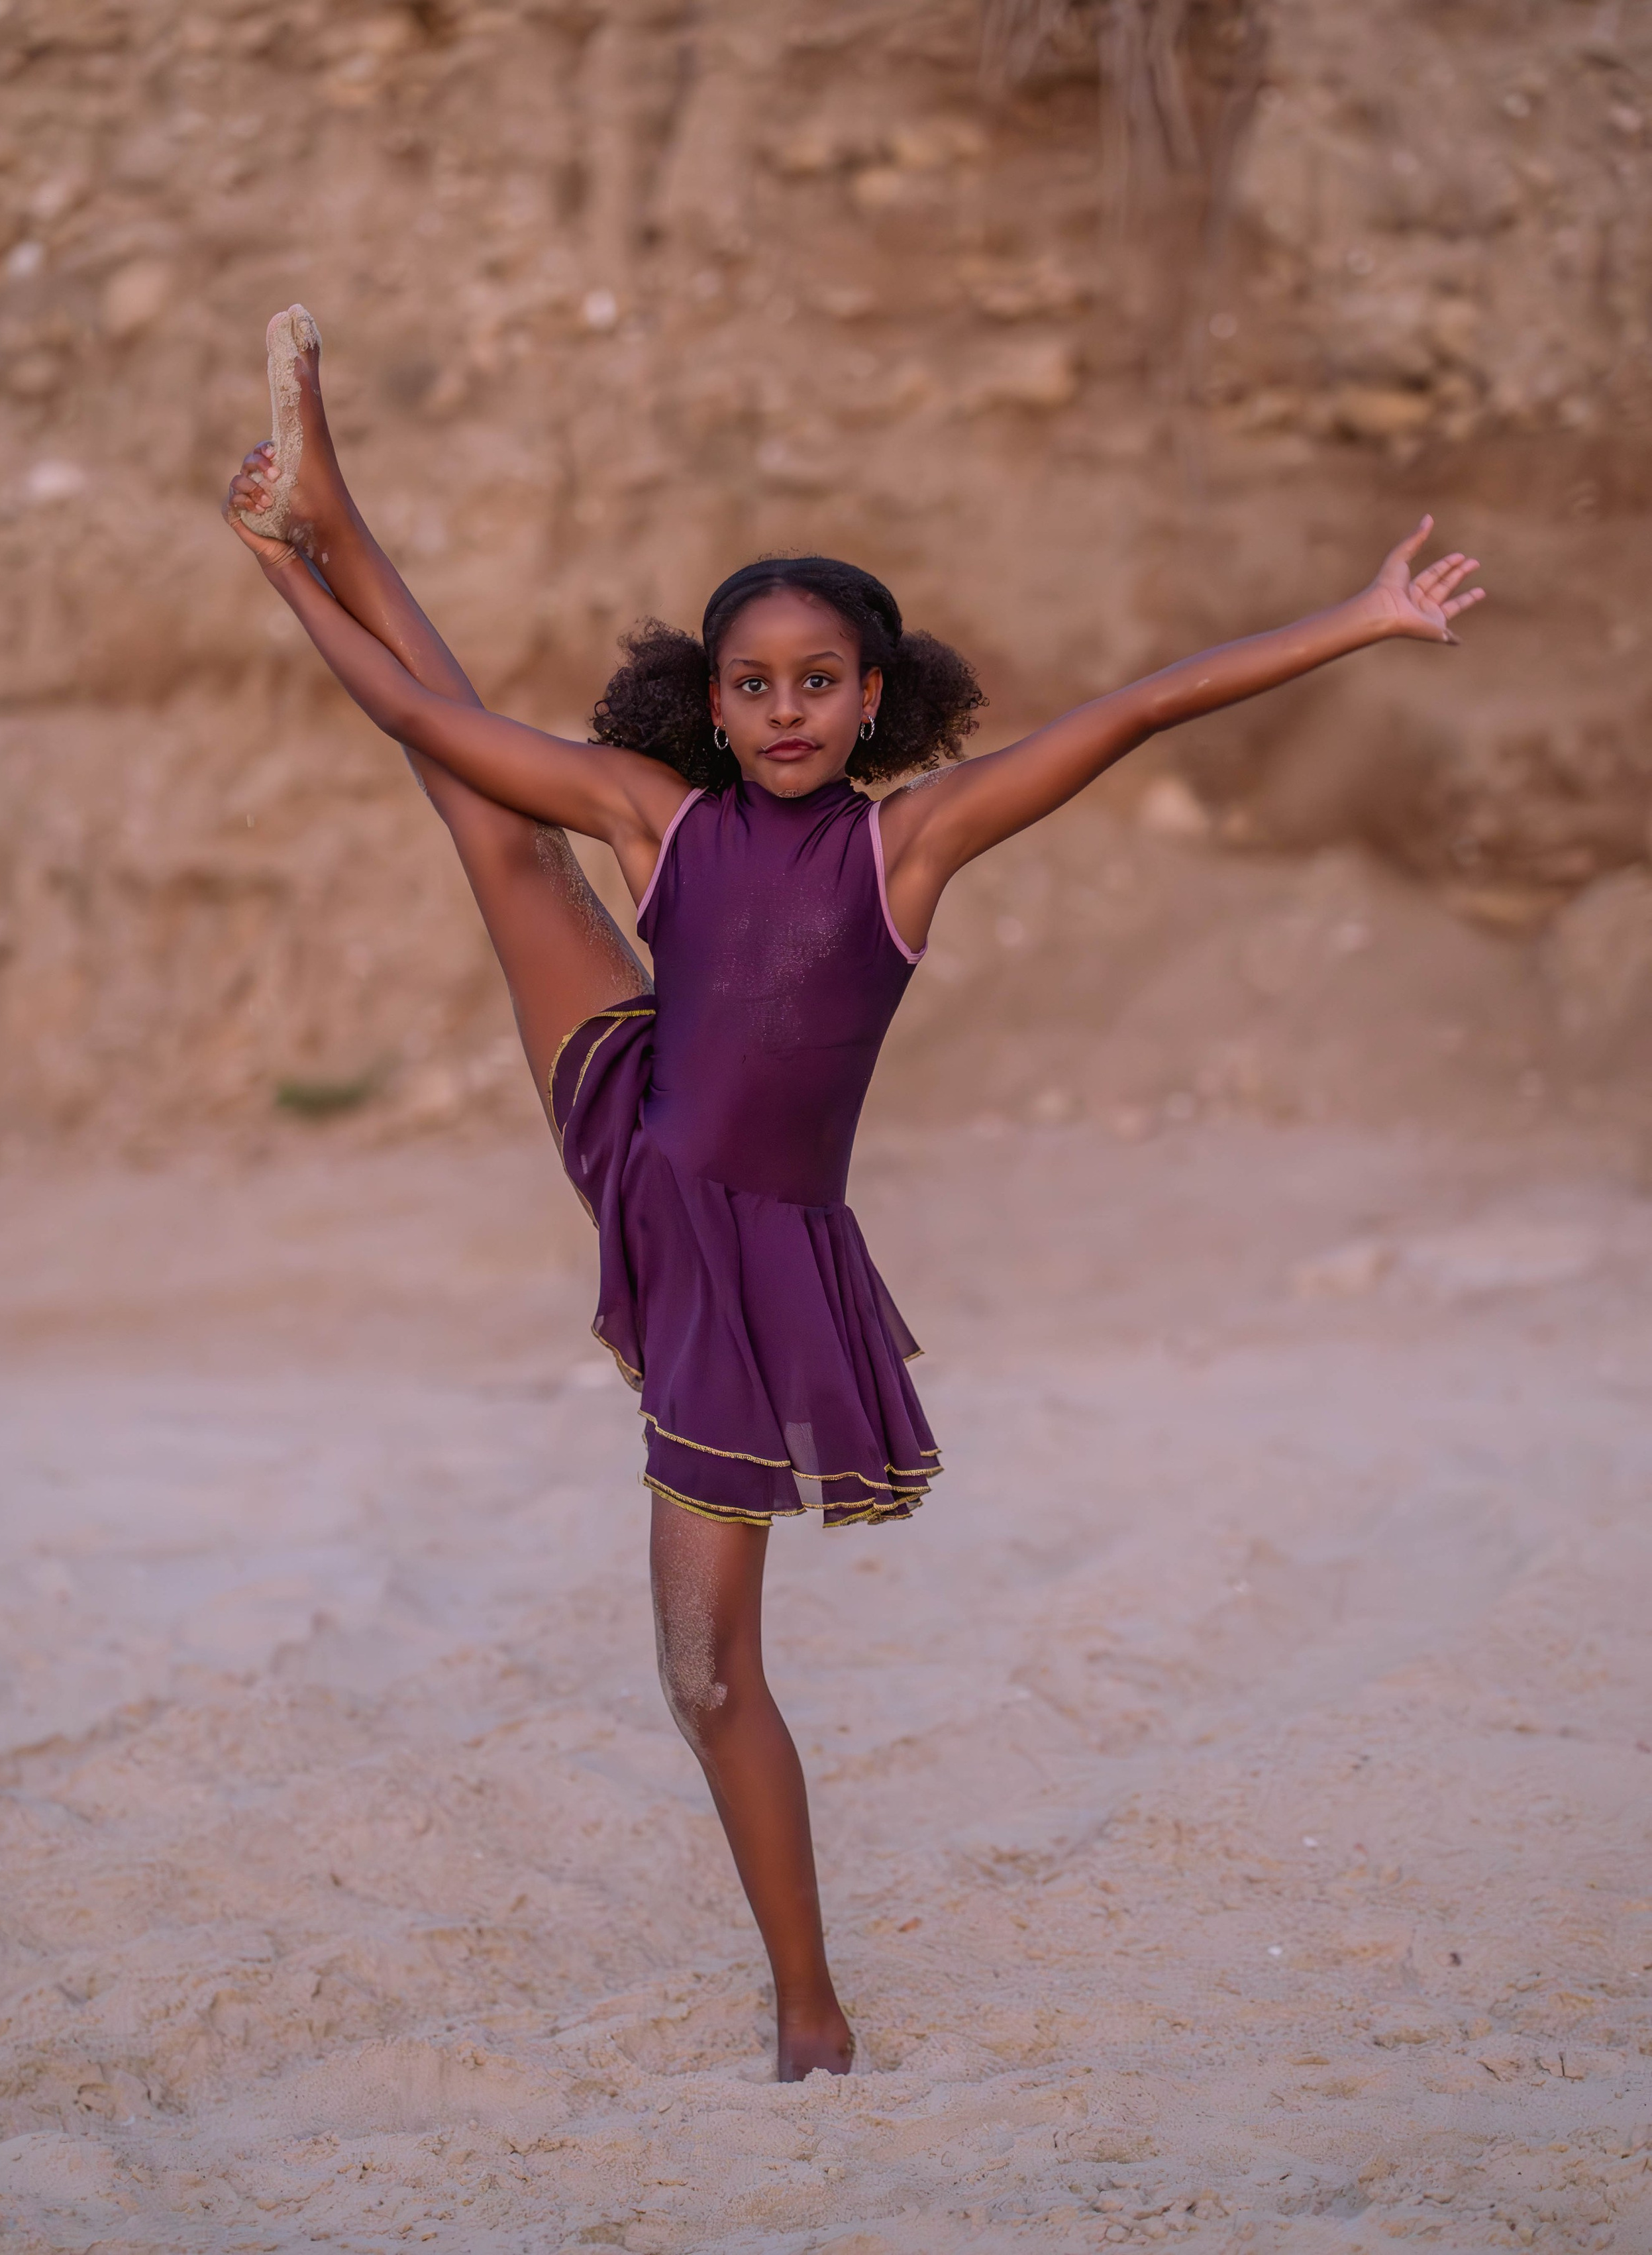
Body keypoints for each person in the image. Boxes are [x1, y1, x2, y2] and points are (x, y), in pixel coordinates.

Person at [224, 314, 1483, 2081]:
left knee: (708, 1677)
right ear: (715, 701)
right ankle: (332, 509)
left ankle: (809, 2009)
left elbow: (1134, 710)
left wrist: (1360, 619)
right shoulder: (656, 816)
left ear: (872, 695)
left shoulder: (910, 845)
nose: (790, 711)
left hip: (750, 1264)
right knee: (489, 813)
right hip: (631, 1107)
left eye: (821, 681)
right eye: (756, 685)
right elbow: (432, 721)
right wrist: (293, 580)